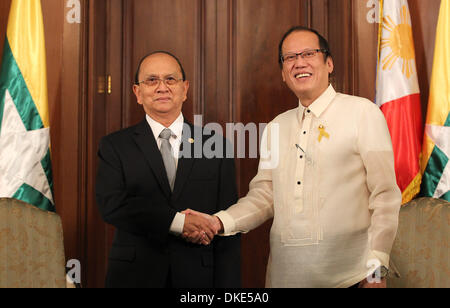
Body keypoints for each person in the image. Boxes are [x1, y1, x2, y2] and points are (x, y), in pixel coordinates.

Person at [184, 26, 401, 288]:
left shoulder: (363, 113)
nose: (299, 62)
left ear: (329, 63)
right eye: (289, 57)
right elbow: (265, 196)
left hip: (352, 279)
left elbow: (385, 196)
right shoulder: (276, 127)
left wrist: (376, 270)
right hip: (285, 279)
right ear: (283, 74)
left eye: (308, 53)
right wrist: (219, 222)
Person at [96, 51, 241, 288]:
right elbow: (112, 206)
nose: (162, 87)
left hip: (198, 279)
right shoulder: (115, 146)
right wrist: (177, 222)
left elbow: (228, 225)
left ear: (185, 89)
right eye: (151, 80)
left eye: (170, 80)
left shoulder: (215, 145)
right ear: (137, 93)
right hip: (135, 277)